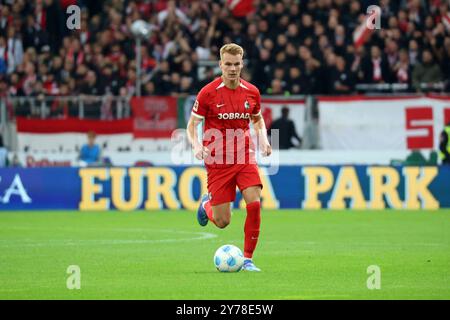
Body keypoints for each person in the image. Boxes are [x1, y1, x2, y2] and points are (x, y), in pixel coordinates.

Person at [186, 43, 272, 272]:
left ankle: (248, 259)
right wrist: (196, 144)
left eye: (236, 64)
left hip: (244, 155)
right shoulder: (208, 93)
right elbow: (192, 125)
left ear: (242, 64)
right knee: (223, 222)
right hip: (217, 160)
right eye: (228, 64)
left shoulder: (252, 91)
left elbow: (257, 119)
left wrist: (263, 139)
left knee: (254, 202)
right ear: (220, 64)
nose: (232, 69)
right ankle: (206, 205)